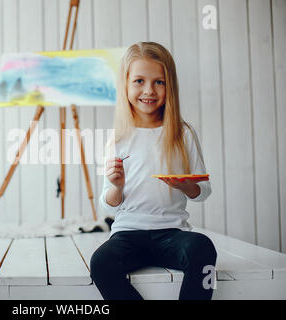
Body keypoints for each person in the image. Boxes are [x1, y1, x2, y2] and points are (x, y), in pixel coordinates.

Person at [90, 42, 217, 300]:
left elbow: (203, 191)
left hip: (173, 233)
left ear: (170, 86)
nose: (149, 90)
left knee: (203, 249)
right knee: (100, 263)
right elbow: (109, 206)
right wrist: (116, 186)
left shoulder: (183, 133)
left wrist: (185, 185)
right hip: (128, 234)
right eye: (139, 81)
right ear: (125, 85)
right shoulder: (117, 138)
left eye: (159, 82)